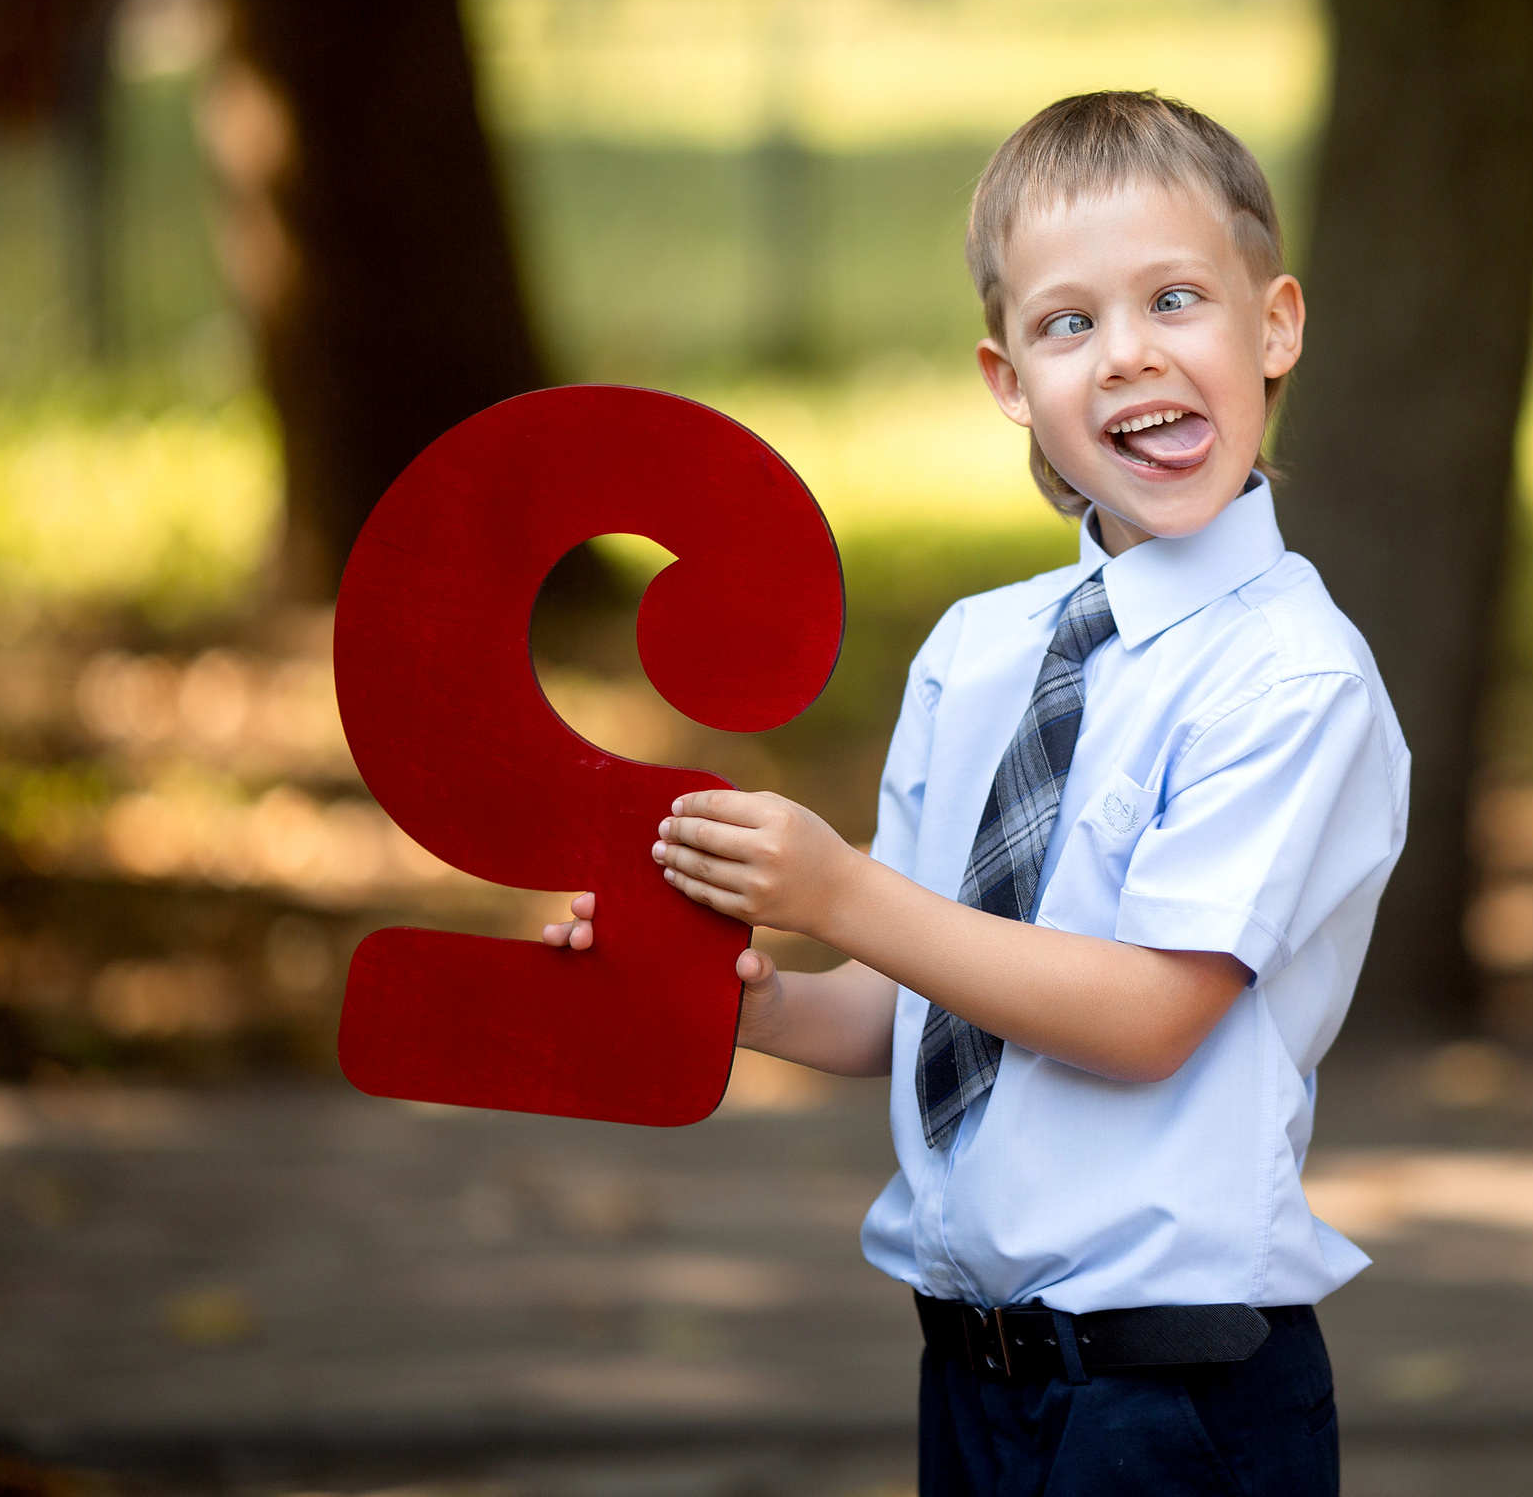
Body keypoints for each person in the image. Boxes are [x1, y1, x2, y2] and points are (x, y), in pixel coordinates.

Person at [546, 89, 1409, 1495]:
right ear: (1010, 379)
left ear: (1275, 327)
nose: (1130, 356)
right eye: (1071, 324)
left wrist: (842, 890)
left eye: (1176, 299)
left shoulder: (1292, 681)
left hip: (1174, 1399)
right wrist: (736, 993)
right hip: (975, 1378)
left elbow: (1143, 1018)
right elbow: (905, 1006)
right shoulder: (979, 654)